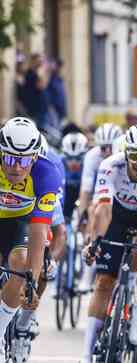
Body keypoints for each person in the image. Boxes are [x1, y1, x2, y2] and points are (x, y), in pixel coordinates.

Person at [81, 125, 137, 363]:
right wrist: (96, 242)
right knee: (103, 282)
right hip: (117, 214)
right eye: (135, 155)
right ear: (126, 151)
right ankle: (86, 354)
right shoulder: (110, 165)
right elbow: (103, 209)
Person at [0, 118, 62, 358]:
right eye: (9, 159)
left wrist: (31, 281)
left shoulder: (47, 175)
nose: (16, 167)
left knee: (22, 264)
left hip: (22, 222)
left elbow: (38, 231)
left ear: (35, 157)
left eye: (24, 160)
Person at [21, 55, 52, 133]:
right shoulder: (31, 74)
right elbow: (41, 86)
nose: (40, 64)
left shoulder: (36, 73)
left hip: (42, 108)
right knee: (39, 132)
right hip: (36, 109)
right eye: (39, 62)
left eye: (41, 62)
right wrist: (41, 74)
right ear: (33, 61)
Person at [46, 59, 68, 123]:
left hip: (61, 111)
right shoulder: (52, 79)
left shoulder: (60, 80)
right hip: (53, 111)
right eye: (59, 67)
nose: (61, 69)